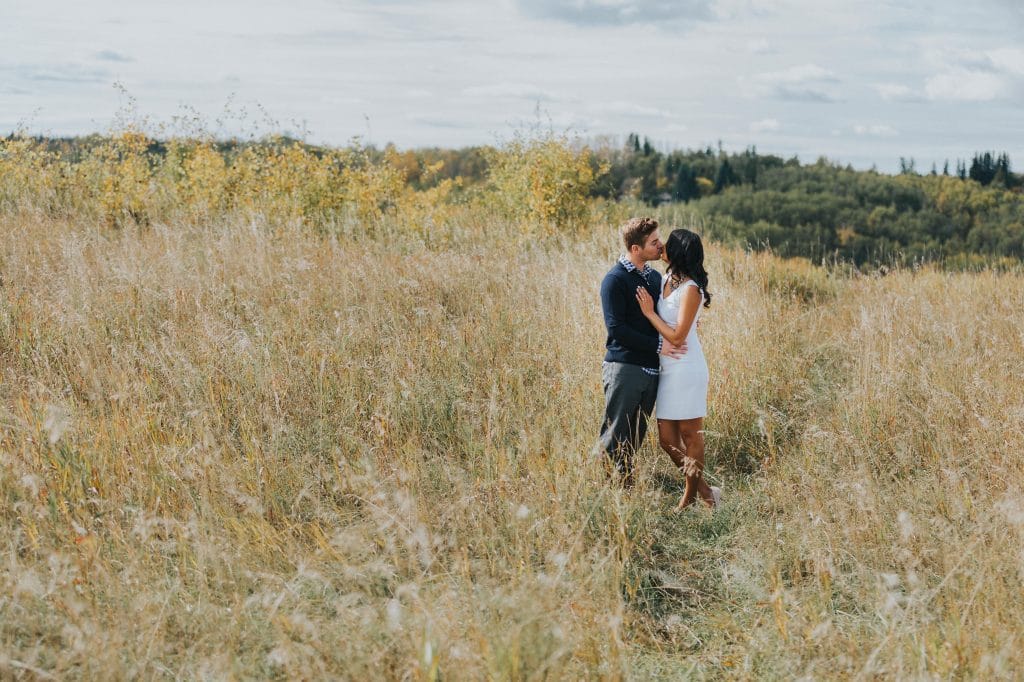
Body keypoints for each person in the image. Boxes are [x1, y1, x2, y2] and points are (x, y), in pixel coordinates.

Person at [635, 228, 720, 510]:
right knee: (666, 440)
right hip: (667, 367)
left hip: (687, 366)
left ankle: (689, 497)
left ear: (679, 251)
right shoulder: (665, 280)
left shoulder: (692, 288)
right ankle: (707, 492)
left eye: (667, 244)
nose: (662, 247)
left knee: (689, 435)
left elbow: (677, 337)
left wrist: (649, 314)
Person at [598, 217, 686, 487]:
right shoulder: (615, 280)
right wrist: (658, 345)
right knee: (615, 433)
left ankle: (625, 488)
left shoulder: (654, 277)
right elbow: (617, 329)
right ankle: (609, 492)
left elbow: (662, 316)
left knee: (635, 435)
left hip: (651, 369)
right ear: (636, 249)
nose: (661, 245)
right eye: (654, 242)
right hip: (625, 367)